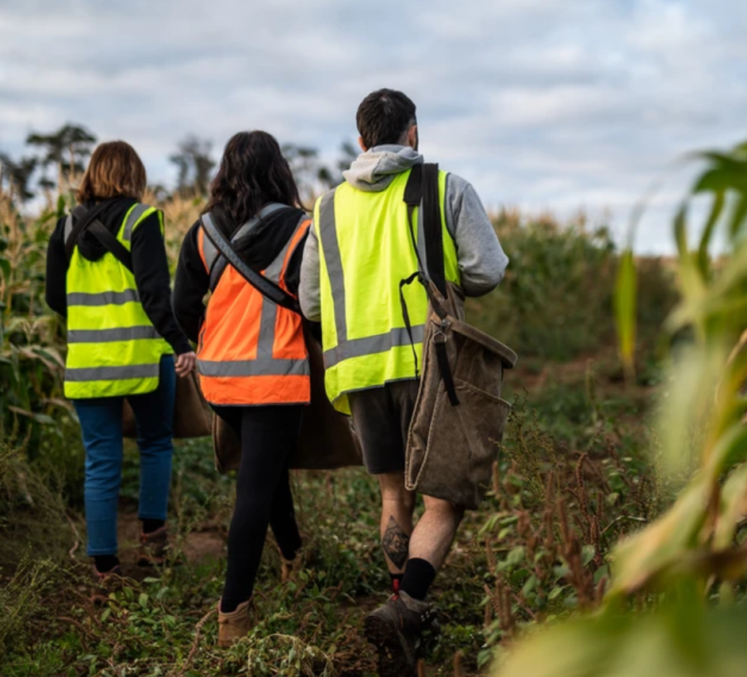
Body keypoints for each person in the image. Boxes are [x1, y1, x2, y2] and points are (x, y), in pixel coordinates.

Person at [299, 89, 509, 676]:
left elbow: (310, 302)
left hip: (358, 371)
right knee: (445, 495)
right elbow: (488, 270)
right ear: (412, 133)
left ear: (361, 140)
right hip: (431, 363)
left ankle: (399, 607)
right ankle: (410, 604)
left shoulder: (326, 210)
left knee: (395, 494)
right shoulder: (445, 188)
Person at [172, 130, 312, 647]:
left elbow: (182, 306)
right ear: (278, 169)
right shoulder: (302, 229)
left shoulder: (203, 231)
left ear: (225, 172)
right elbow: (314, 308)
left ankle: (295, 555)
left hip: (220, 381)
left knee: (264, 467)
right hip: (275, 381)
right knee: (253, 488)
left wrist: (209, 339)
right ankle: (232, 615)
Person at [45, 141, 196, 595]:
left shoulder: (65, 226)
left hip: (89, 362)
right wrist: (179, 343)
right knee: (154, 444)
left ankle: (105, 567)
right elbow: (154, 292)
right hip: (143, 358)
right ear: (134, 176)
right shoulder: (142, 219)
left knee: (101, 460)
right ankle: (152, 542)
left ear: (92, 173)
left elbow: (56, 297)